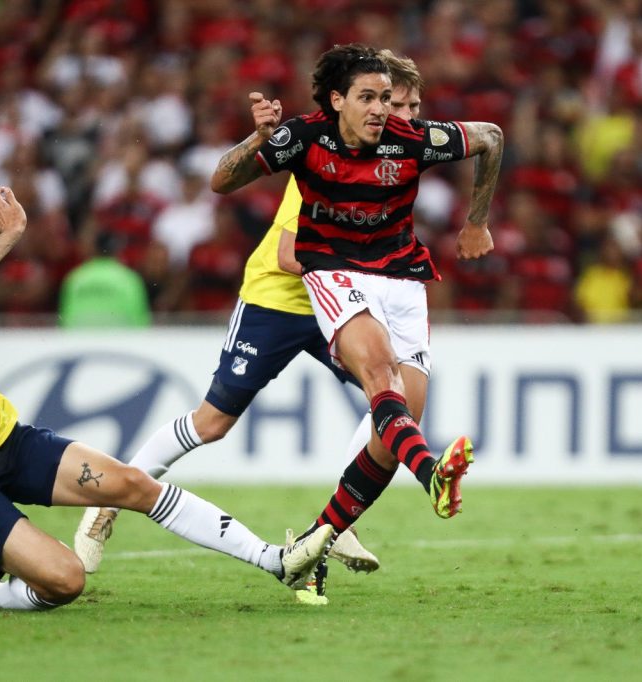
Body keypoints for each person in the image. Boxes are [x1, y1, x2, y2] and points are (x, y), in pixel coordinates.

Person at [0, 189, 333, 611]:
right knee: (66, 581)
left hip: (9, 441)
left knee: (134, 484)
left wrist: (8, 236)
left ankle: (275, 561)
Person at [73, 51, 428, 601]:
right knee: (212, 423)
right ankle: (108, 499)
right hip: (280, 300)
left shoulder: (389, 159)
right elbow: (290, 254)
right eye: (391, 103)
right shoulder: (325, 155)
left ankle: (337, 522)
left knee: (393, 398)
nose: (400, 117)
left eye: (406, 106)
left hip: (337, 299)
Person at [210, 43, 503, 598]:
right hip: (333, 271)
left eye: (387, 99)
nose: (382, 110)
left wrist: (476, 223)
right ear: (338, 100)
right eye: (369, 98)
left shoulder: (409, 139)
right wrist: (256, 139)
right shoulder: (303, 137)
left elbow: (491, 137)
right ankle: (433, 474)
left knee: (393, 432)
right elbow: (222, 181)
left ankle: (311, 551)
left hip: (403, 280)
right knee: (381, 381)